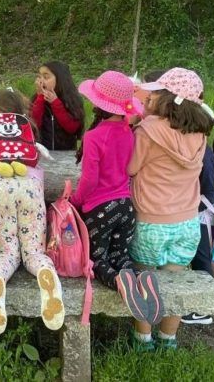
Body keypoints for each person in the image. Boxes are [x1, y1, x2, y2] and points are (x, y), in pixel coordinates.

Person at [129, 68, 211, 350]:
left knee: (144, 280)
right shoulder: (200, 133)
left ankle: (143, 338)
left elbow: (131, 168)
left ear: (166, 98)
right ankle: (168, 339)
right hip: (187, 222)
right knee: (174, 281)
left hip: (151, 220)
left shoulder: (148, 130)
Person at [0, 89, 65, 335]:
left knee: (7, 252)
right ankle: (45, 271)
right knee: (33, 251)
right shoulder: (29, 132)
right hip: (30, 188)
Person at [71, 71, 142, 290]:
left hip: (101, 209)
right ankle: (138, 278)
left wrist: (76, 200)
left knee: (97, 259)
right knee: (120, 255)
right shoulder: (129, 132)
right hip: (126, 207)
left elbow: (90, 179)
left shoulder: (93, 137)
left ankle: (118, 281)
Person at [182, 103, 214, 326]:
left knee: (201, 260)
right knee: (197, 257)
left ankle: (203, 309)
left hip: (199, 212)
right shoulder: (199, 148)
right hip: (192, 209)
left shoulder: (204, 153)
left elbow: (209, 191)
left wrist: (193, 209)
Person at [31, 61, 85, 150]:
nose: (40, 81)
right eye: (39, 77)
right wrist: (40, 98)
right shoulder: (37, 99)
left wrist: (55, 103)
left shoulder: (71, 99)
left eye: (46, 77)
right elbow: (33, 125)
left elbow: (72, 128)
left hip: (66, 153)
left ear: (60, 79)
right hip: (43, 152)